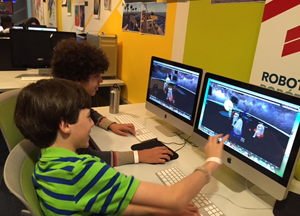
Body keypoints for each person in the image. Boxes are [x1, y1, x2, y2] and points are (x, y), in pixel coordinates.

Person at [14, 78, 229, 215]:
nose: (92, 123)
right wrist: (211, 162)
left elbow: (106, 203)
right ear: (64, 125)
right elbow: (175, 197)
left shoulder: (46, 160)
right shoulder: (82, 171)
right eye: (89, 117)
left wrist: (162, 211)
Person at [51, 38, 173, 166]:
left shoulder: (66, 99)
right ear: (77, 81)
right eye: (96, 76)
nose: (101, 81)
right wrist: (139, 155)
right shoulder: (65, 114)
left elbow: (90, 111)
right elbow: (90, 157)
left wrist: (110, 125)